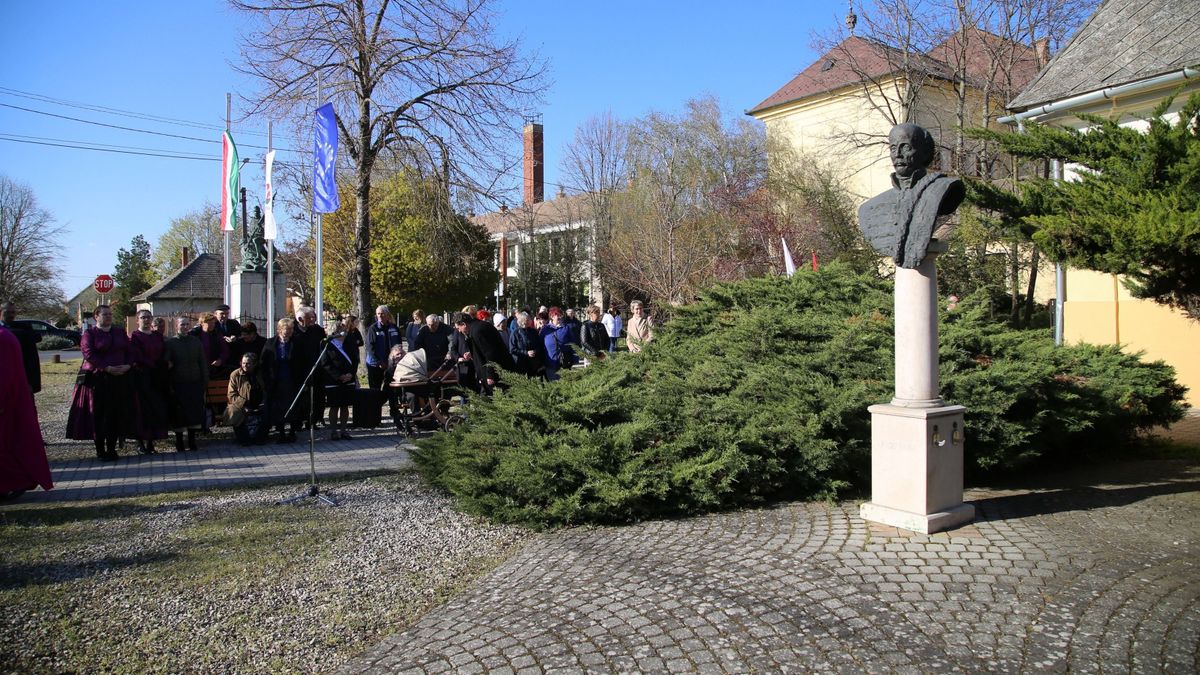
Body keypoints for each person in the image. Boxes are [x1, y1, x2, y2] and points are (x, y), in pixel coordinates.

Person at [858, 122, 966, 269]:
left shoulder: (941, 188)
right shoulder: (869, 209)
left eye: (906, 147)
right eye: (893, 148)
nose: (898, 155)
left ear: (925, 152)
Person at [66, 305, 133, 461]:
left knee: (115, 414)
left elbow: (130, 351)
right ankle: (100, 450)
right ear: (96, 316)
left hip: (119, 378)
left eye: (110, 314)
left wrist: (128, 365)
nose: (109, 317)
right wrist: (106, 367)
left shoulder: (119, 332)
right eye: (105, 314)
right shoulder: (90, 333)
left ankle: (112, 448)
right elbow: (88, 353)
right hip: (98, 379)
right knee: (99, 414)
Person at [0, 326, 52, 499]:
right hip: (10, 402)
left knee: (7, 447)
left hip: (6, 404)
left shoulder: (3, 338)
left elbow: (4, 375)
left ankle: (12, 484)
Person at [163, 315, 208, 452]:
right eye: (182, 324)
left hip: (195, 382)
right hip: (178, 383)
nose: (185, 327)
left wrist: (204, 380)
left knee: (194, 413)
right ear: (177, 326)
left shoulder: (196, 342)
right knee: (179, 414)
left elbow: (202, 362)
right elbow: (166, 362)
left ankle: (192, 441)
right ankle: (179, 442)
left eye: (187, 324)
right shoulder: (171, 343)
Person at [129, 309, 168, 454]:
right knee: (142, 409)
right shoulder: (135, 336)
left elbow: (164, 352)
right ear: (137, 320)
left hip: (157, 376)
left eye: (148, 317)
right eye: (143, 317)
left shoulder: (157, 336)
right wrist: (153, 365)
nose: (146, 320)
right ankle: (140, 442)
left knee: (155, 408)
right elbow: (137, 355)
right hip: (142, 376)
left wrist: (164, 364)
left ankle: (151, 442)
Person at [260, 318, 303, 443]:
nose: (289, 332)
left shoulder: (296, 342)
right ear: (279, 329)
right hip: (276, 381)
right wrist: (266, 380)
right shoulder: (270, 343)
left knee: (292, 406)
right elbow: (263, 363)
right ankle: (281, 432)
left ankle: (292, 431)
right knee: (278, 408)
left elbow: (303, 361)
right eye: (287, 329)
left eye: (291, 329)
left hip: (291, 380)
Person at [291, 306, 327, 428]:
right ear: (300, 319)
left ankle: (313, 420)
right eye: (309, 318)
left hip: (316, 369)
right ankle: (298, 421)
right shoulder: (293, 331)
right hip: (299, 370)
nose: (312, 320)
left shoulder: (317, 330)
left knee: (315, 397)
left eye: (313, 317)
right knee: (301, 397)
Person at [223, 352, 269, 446]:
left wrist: (264, 402)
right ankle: (244, 440)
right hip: (241, 404)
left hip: (259, 403)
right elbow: (231, 394)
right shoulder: (235, 375)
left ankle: (260, 438)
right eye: (243, 363)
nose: (245, 365)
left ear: (254, 364)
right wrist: (243, 405)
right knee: (233, 412)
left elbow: (266, 390)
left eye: (248, 363)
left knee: (269, 411)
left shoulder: (261, 373)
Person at [466, 309, 515, 395]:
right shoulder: (480, 327)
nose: (458, 330)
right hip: (495, 369)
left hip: (494, 371)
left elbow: (489, 352)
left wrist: (490, 374)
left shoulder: (477, 330)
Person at [320, 329, 358, 440]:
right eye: (339, 332)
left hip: (349, 379)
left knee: (345, 405)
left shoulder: (348, 343)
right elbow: (325, 363)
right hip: (333, 381)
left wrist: (351, 374)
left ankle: (343, 430)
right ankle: (333, 431)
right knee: (334, 406)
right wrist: (339, 376)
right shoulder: (327, 345)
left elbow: (355, 360)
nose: (343, 334)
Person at [1, 301, 41, 394]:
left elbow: (31, 359)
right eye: (7, 312)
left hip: (19, 379)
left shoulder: (23, 331)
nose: (11, 315)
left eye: (13, 312)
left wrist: (32, 383)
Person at [365, 305, 403, 393]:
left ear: (387, 314)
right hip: (375, 364)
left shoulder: (394, 328)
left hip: (391, 363)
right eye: (378, 314)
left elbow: (399, 345)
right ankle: (375, 406)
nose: (380, 316)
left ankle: (393, 406)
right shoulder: (373, 328)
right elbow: (370, 347)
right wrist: (379, 362)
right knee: (375, 389)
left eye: (382, 314)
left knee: (391, 388)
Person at [541, 307, 578, 382]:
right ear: (552, 316)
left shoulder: (566, 328)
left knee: (565, 386)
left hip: (565, 364)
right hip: (550, 364)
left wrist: (574, 359)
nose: (560, 317)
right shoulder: (545, 329)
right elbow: (540, 345)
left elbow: (574, 344)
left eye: (561, 315)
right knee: (553, 387)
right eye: (557, 315)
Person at [196, 312, 231, 379]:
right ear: (202, 323)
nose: (212, 325)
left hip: (214, 369)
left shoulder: (217, 335)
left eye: (213, 323)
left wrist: (220, 360)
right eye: (209, 323)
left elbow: (225, 351)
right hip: (199, 369)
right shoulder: (196, 335)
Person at [508, 311, 542, 378]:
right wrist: (526, 353)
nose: (531, 320)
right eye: (528, 319)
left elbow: (539, 346)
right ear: (523, 321)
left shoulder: (533, 332)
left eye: (529, 319)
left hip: (533, 364)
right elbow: (512, 349)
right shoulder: (515, 333)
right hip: (520, 365)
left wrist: (535, 351)